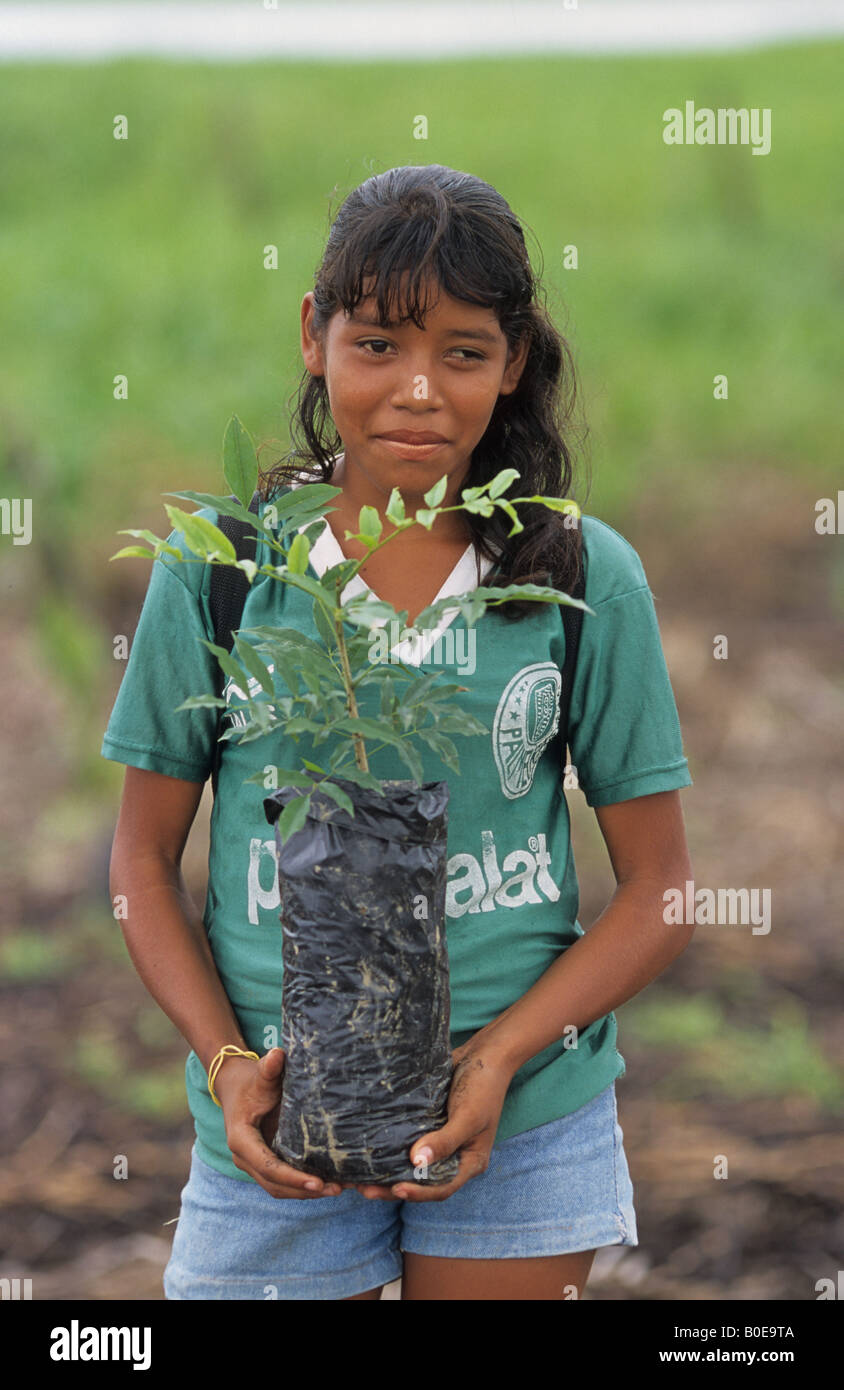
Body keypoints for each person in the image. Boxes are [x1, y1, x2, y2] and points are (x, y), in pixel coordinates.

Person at [102, 164, 694, 1301]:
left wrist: (500, 1056)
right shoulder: (224, 573)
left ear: (512, 362)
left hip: (522, 1123)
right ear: (314, 337)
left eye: (463, 354)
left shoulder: (573, 576)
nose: (418, 390)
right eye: (378, 344)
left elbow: (662, 888)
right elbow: (138, 861)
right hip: (278, 1118)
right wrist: (228, 1065)